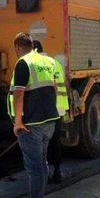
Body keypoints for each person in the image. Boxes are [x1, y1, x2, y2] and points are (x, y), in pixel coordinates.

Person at [8, 33, 60, 198]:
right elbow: (53, 89)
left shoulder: (23, 63)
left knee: (35, 168)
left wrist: (18, 122)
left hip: (31, 125)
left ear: (17, 47)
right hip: (49, 122)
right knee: (42, 164)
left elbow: (19, 94)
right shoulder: (47, 61)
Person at [32, 40, 69, 184]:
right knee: (55, 140)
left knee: (43, 143)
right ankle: (57, 172)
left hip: (46, 109)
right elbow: (63, 84)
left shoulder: (36, 64)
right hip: (59, 108)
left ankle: (44, 174)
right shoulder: (54, 63)